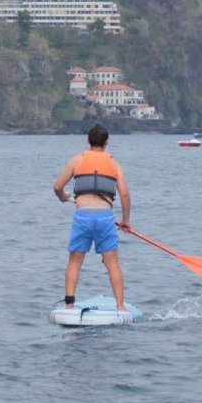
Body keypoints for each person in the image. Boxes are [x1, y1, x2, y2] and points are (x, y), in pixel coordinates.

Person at [53, 124, 132, 311]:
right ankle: (120, 307)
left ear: (88, 141)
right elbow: (125, 194)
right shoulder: (114, 164)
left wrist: (62, 196)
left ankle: (69, 306)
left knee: (74, 261)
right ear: (107, 142)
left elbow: (57, 187)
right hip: (105, 217)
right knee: (112, 263)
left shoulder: (76, 161)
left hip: (83, 216)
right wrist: (126, 220)